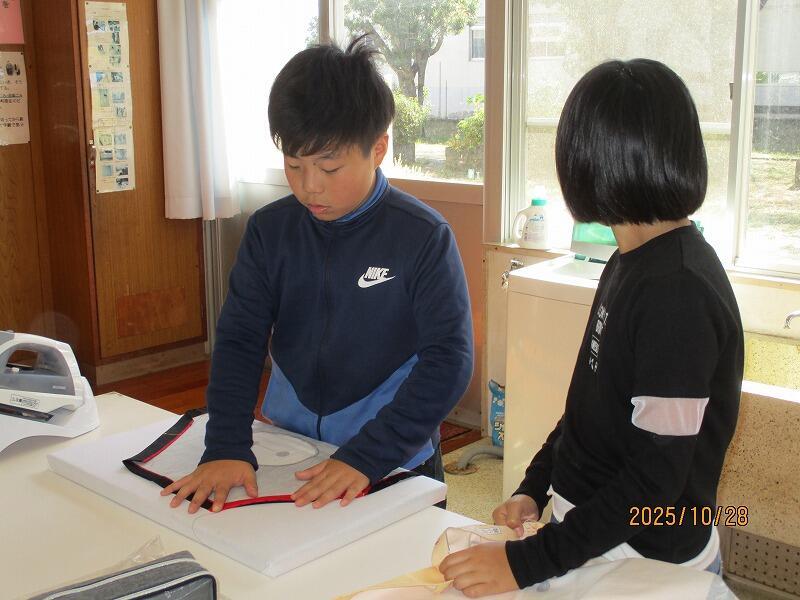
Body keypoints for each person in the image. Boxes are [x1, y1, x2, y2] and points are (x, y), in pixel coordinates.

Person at [439, 58, 743, 597]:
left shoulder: (678, 293)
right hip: (593, 530)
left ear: (593, 163)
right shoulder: (630, 259)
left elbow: (655, 481)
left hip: (646, 558)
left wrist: (527, 562)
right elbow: (589, 406)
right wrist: (536, 486)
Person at [162, 36, 473, 514]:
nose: (310, 186)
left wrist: (369, 455)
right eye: (294, 164)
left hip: (393, 459)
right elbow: (241, 339)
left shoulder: (422, 236)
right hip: (292, 450)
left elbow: (449, 360)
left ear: (378, 148)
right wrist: (226, 444)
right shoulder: (270, 231)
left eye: (329, 167)